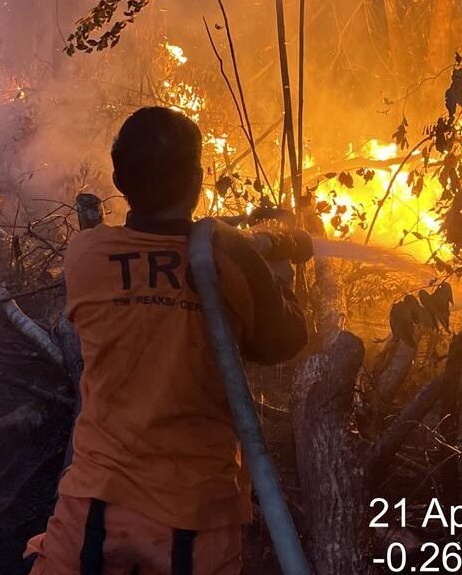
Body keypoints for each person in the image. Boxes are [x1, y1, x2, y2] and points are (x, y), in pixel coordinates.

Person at [24, 107, 311, 575]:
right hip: (197, 525)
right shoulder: (229, 263)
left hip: (92, 513)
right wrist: (273, 273)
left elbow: (150, 256)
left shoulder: (86, 255)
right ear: (198, 180)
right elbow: (283, 341)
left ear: (118, 179)